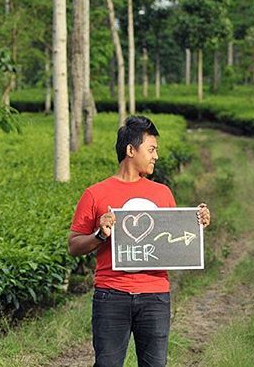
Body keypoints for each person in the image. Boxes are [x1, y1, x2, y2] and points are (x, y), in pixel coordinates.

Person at [68, 115, 211, 367]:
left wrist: (196, 221)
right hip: (111, 295)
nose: (156, 156)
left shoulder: (162, 193)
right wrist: (100, 235)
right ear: (131, 150)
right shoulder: (95, 194)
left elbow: (176, 241)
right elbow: (74, 245)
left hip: (155, 296)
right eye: (152, 149)